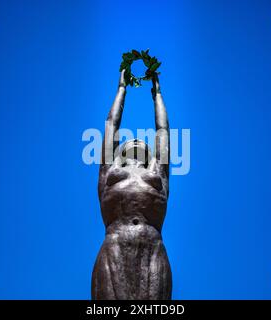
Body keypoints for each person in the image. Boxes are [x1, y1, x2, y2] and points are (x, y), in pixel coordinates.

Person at [92, 70, 172, 300]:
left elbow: (163, 132)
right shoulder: (110, 173)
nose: (136, 141)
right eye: (128, 143)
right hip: (114, 248)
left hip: (152, 251)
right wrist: (121, 89)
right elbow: (111, 126)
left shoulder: (158, 174)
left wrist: (156, 93)